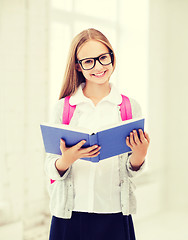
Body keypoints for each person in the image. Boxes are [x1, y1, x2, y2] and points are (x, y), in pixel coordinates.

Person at [45, 28, 150, 240]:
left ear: (112, 57)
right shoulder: (64, 109)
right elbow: (50, 167)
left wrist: (140, 155)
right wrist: (66, 160)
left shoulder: (129, 107)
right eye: (88, 61)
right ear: (78, 66)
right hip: (70, 214)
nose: (98, 66)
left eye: (103, 58)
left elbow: (132, 170)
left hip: (114, 212)